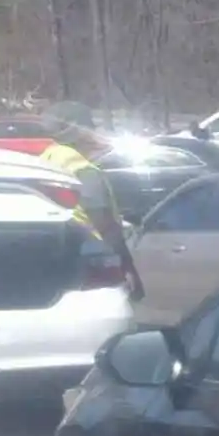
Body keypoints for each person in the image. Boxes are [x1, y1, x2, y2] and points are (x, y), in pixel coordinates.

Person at [37, 123, 145, 302]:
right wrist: (125, 264)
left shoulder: (48, 156)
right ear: (81, 139)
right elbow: (101, 219)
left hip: (54, 245)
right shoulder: (84, 169)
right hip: (90, 251)